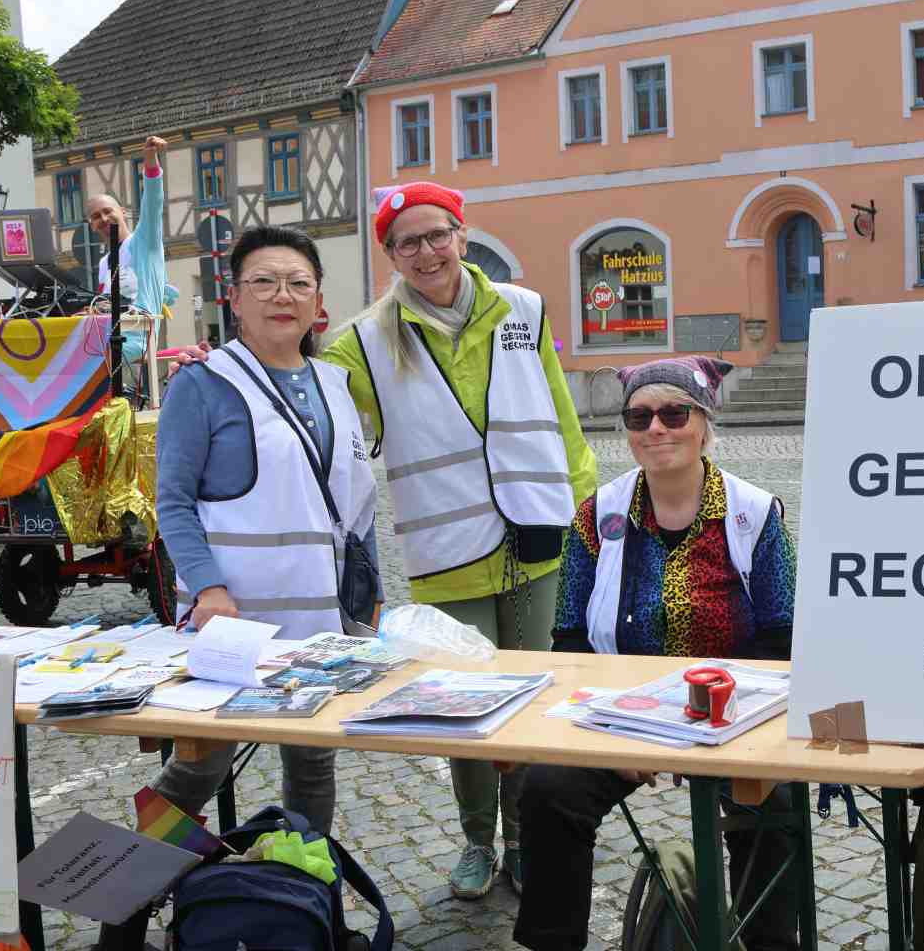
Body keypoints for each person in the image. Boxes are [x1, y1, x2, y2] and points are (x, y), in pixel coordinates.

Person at [173, 181, 597, 898]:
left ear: (463, 234)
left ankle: (305, 894)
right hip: (430, 554)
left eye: (438, 235)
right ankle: (151, 882)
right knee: (457, 707)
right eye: (408, 242)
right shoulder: (362, 343)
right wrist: (212, 367)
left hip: (531, 535)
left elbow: (558, 416)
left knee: (524, 701)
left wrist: (584, 507)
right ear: (390, 256)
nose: (427, 251)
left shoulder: (522, 310)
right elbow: (275, 403)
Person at [99, 225, 379, 950]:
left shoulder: (335, 385)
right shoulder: (204, 383)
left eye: (298, 282)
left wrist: (368, 600)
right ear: (235, 297)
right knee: (198, 768)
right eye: (265, 281)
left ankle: (309, 910)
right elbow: (176, 500)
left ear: (320, 301)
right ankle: (119, 908)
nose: (282, 295)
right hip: (232, 625)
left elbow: (354, 505)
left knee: (312, 770)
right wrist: (208, 586)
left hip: (319, 620)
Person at [514, 355, 799, 951]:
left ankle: (769, 943)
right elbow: (568, 641)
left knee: (775, 803)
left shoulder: (754, 514)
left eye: (674, 413)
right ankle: (552, 941)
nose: (656, 429)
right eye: (639, 417)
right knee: (547, 788)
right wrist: (619, 729)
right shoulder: (596, 515)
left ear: (703, 423)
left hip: (733, 717)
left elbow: (782, 638)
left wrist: (728, 730)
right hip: (625, 714)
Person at [84, 134, 179, 368]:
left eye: (108, 211)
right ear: (91, 225)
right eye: (96, 217)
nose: (104, 219)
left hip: (136, 339)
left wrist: (150, 159)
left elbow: (153, 202)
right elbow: (105, 305)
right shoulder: (105, 262)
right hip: (108, 337)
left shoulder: (143, 242)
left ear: (123, 212)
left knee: (77, 359)